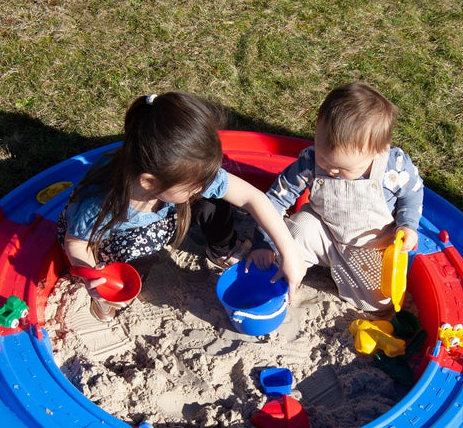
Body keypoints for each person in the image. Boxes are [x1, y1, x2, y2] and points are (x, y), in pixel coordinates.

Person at [59, 91, 306, 322]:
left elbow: (253, 198)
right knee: (135, 259)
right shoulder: (98, 204)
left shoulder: (177, 176)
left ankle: (222, 249)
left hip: (162, 212)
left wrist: (289, 252)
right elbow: (76, 243)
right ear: (149, 182)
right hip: (112, 239)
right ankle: (106, 300)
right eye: (192, 185)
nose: (201, 186)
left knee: (213, 200)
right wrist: (93, 274)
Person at [248, 81, 424, 312]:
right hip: (323, 232)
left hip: (369, 246)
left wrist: (407, 225)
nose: (331, 170)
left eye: (343, 169)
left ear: (378, 151)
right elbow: (275, 200)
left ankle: (343, 274)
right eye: (324, 158)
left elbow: (412, 195)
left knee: (379, 303)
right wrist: (264, 242)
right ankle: (295, 269)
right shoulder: (310, 162)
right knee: (298, 230)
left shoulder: (393, 167)